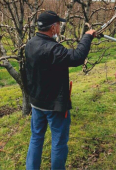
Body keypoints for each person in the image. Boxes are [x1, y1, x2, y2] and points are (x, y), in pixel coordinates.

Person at [25, 10, 96, 170]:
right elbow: (77, 57)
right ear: (53, 28)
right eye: (58, 24)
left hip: (36, 101)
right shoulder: (53, 49)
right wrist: (87, 36)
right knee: (58, 141)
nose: (59, 27)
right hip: (54, 105)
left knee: (36, 137)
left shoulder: (30, 44)